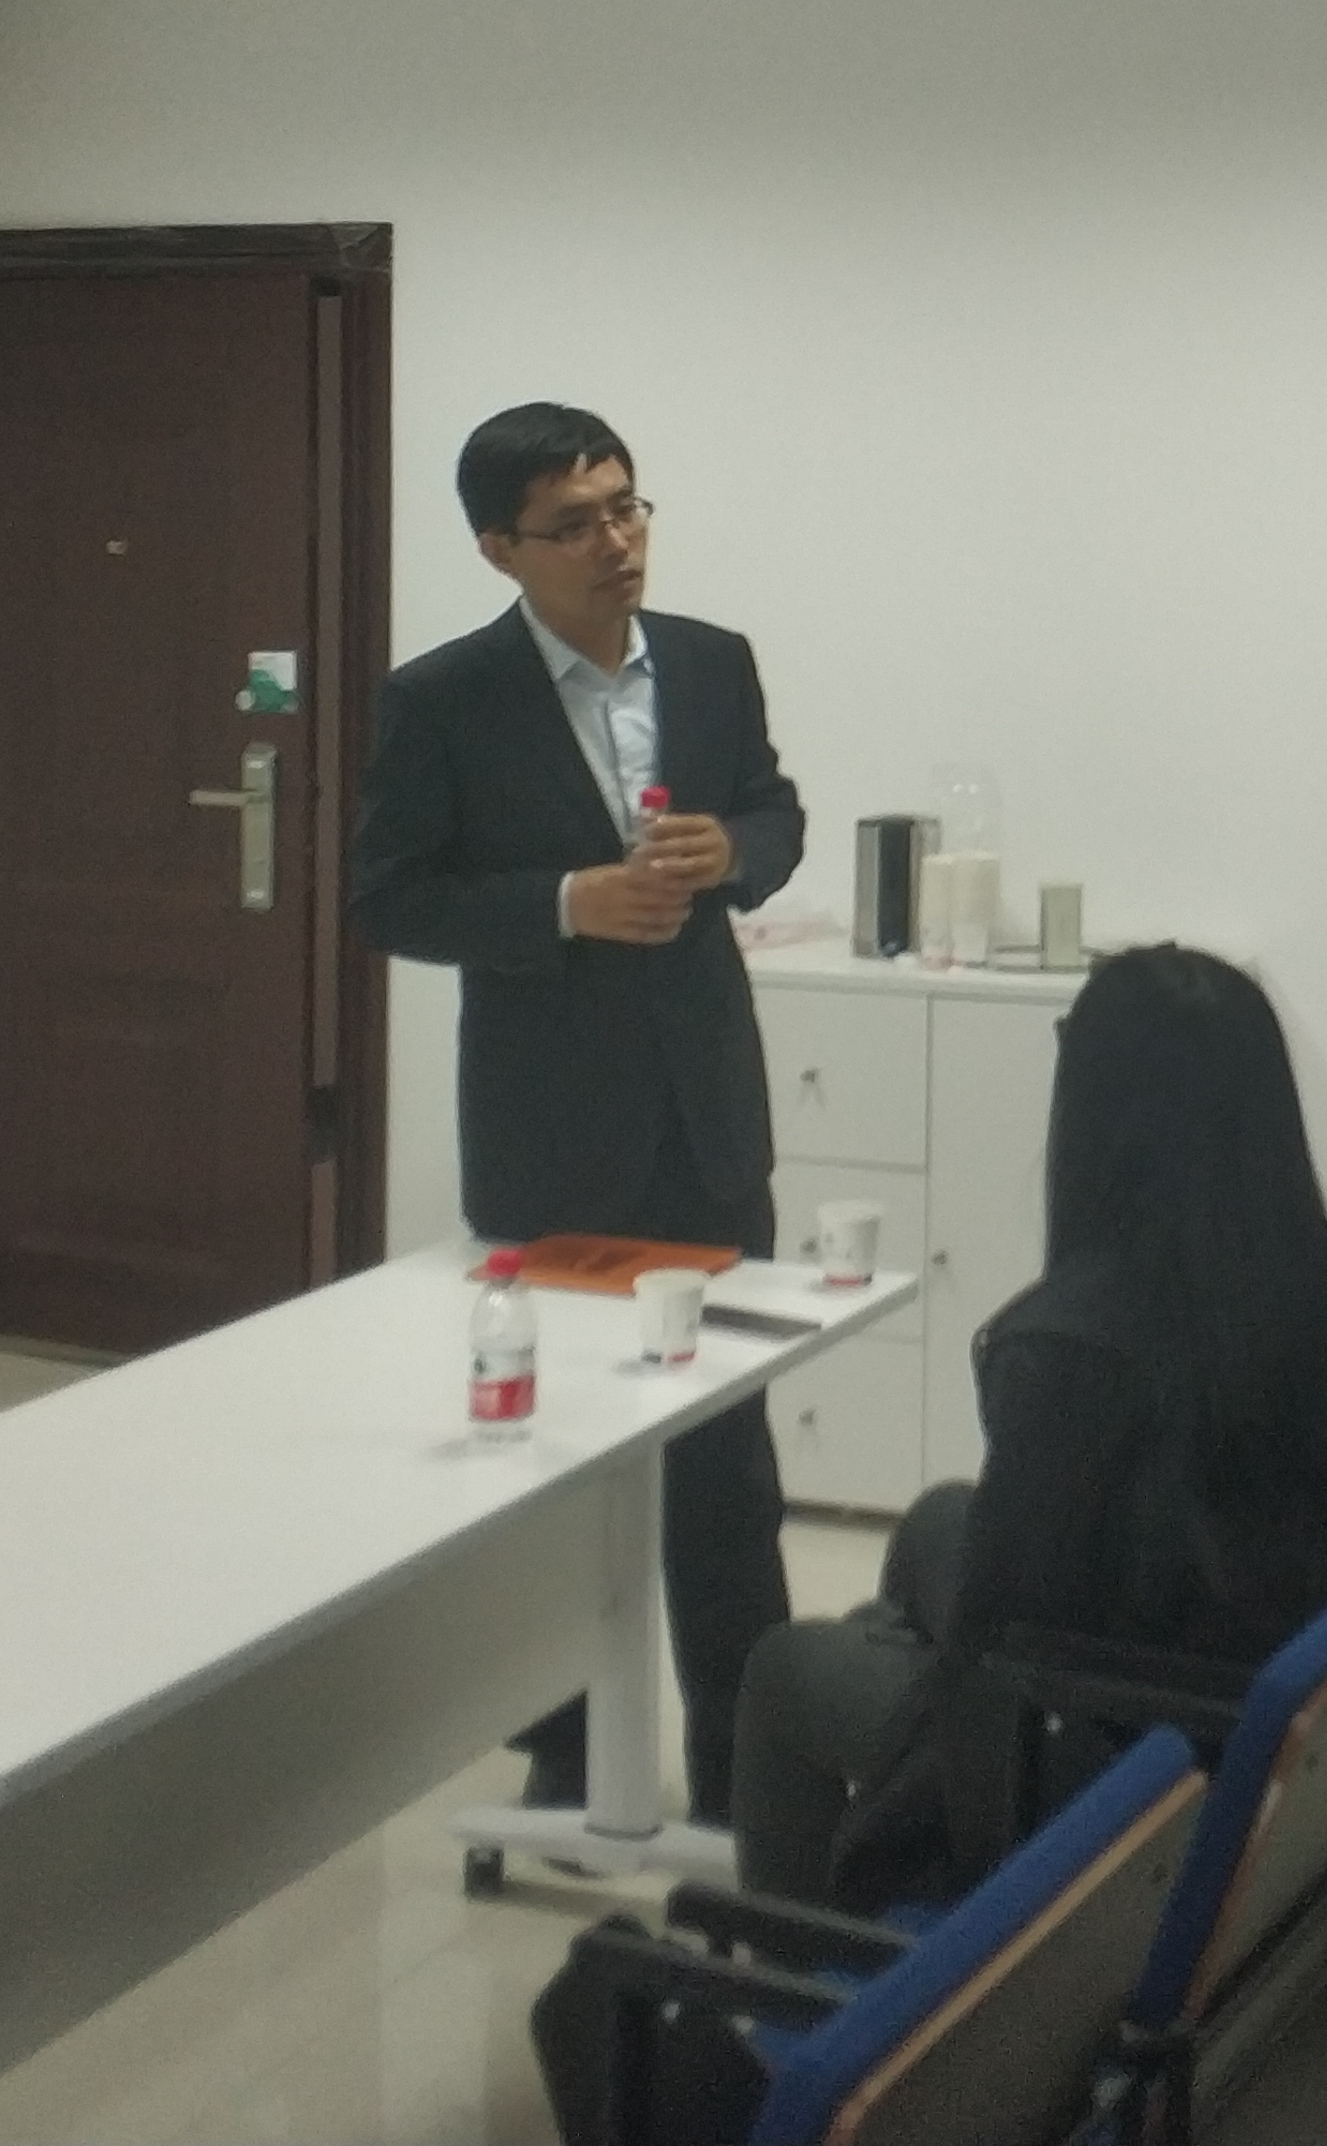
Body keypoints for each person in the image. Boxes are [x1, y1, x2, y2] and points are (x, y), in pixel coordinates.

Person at [728, 946, 1327, 1909]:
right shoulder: (1306, 1292)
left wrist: (916, 1733)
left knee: (786, 1669)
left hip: (1123, 1752)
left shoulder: (1073, 1353)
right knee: (932, 1525)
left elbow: (992, 1643)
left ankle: (830, 1975)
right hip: (1240, 1671)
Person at [349, 402, 805, 1825]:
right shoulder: (444, 699)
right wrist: (562, 904)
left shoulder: (713, 662)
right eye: (574, 523)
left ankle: (744, 1770)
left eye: (626, 507)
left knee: (725, 1462)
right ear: (501, 548)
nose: (615, 541)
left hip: (706, 1122)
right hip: (551, 1137)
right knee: (553, 1460)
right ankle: (564, 1752)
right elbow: (389, 900)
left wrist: (733, 850)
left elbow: (777, 812)